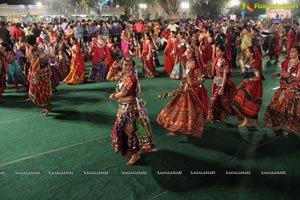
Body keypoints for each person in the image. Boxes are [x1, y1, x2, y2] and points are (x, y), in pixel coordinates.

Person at [109, 57, 156, 166]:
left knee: (132, 131)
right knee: (124, 130)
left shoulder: (131, 78)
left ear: (133, 66)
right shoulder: (123, 75)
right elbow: (108, 77)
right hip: (123, 107)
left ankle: (135, 155)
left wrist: (114, 96)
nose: (128, 67)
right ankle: (133, 152)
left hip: (131, 109)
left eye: (130, 65)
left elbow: (124, 92)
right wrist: (113, 68)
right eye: (125, 65)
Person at [157, 47, 208, 138]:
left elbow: (201, 79)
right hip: (186, 88)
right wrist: (184, 82)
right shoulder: (188, 63)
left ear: (193, 54)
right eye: (186, 52)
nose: (186, 54)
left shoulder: (194, 65)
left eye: (188, 52)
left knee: (187, 109)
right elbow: (189, 77)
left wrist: (191, 83)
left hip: (193, 91)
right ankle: (178, 128)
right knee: (180, 109)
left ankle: (184, 128)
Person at [264, 46, 300, 134]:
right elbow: (283, 72)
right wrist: (277, 74)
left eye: (293, 51)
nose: (291, 53)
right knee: (276, 104)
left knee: (291, 109)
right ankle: (278, 123)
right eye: (290, 51)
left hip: (294, 88)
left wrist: (289, 76)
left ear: (298, 53)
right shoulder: (287, 62)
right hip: (284, 86)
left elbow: (298, 78)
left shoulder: (299, 64)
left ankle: (291, 126)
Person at [232, 46, 263, 127]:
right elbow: (247, 70)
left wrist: (249, 80)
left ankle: (246, 121)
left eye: (247, 52)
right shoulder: (249, 61)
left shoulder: (255, 63)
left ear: (252, 54)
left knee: (243, 100)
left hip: (253, 86)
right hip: (247, 84)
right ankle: (255, 121)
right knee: (252, 103)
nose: (246, 53)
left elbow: (258, 77)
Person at [208, 45, 236, 122]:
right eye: (216, 51)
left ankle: (219, 116)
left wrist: (222, 87)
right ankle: (218, 117)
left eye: (218, 51)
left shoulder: (225, 63)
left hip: (222, 84)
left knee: (214, 100)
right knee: (219, 101)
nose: (217, 52)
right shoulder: (217, 60)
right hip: (216, 83)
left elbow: (224, 76)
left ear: (223, 52)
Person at [25, 35, 52, 114]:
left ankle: (47, 106)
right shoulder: (37, 49)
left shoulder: (33, 50)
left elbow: (36, 64)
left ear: (27, 42)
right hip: (44, 72)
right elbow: (45, 57)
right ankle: (47, 106)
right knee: (43, 90)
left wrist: (35, 76)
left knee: (39, 90)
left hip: (39, 73)